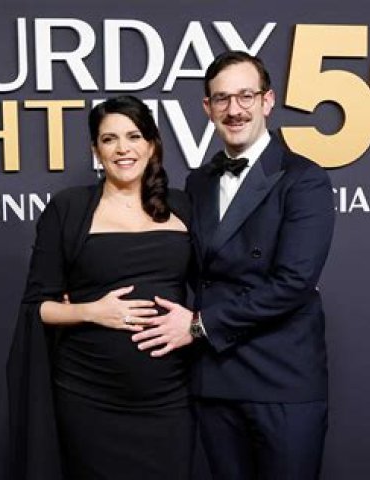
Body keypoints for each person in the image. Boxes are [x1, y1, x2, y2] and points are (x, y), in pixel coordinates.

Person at [132, 51, 335, 479]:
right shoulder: (199, 181)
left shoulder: (304, 178)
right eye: (222, 98)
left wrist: (198, 325)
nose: (234, 109)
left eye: (246, 96)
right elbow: (182, 262)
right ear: (207, 108)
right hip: (216, 379)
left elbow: (294, 282)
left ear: (267, 101)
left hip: (281, 379)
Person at [10, 95, 194, 480]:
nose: (123, 148)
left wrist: (194, 324)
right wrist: (93, 311)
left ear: (152, 145)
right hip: (89, 396)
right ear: (96, 150)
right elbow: (37, 306)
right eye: (110, 139)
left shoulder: (184, 207)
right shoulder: (69, 209)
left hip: (170, 397)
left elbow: (217, 287)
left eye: (134, 136)